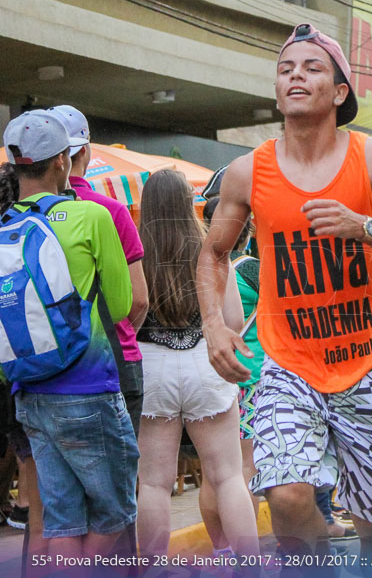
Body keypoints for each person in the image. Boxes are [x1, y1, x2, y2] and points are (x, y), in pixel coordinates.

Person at [197, 23, 372, 568]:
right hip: (287, 361)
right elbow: (213, 253)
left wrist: (367, 229)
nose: (295, 76)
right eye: (286, 69)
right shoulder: (246, 172)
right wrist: (214, 325)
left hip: (368, 359)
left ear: (339, 92)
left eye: (311, 68)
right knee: (285, 493)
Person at [2, 111, 136, 560]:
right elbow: (120, 307)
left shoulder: (2, 227)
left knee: (62, 521)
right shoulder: (90, 217)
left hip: (29, 393)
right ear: (63, 160)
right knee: (116, 515)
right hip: (88, 387)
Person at [134, 170, 259, 559]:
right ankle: (248, 564)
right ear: (190, 204)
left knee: (154, 484)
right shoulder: (208, 246)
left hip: (152, 367)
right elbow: (233, 322)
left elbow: (129, 309)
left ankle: (151, 567)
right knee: (227, 477)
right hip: (207, 364)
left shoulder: (136, 249)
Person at [51, 105, 149, 439]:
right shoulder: (109, 210)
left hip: (45, 368)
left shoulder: (24, 218)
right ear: (86, 151)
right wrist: (118, 330)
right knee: (120, 484)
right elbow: (138, 301)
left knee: (57, 486)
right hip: (114, 361)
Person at [200, 197, 268, 549]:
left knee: (213, 473)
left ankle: (221, 549)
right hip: (248, 374)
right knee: (243, 467)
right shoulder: (254, 269)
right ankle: (244, 549)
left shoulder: (201, 266)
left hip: (209, 370)